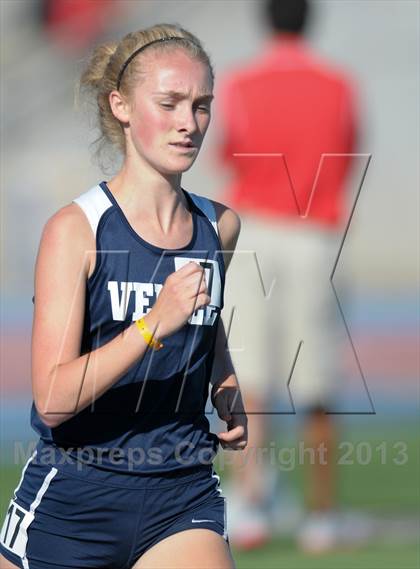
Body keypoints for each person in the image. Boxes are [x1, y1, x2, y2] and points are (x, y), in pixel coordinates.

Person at [0, 23, 248, 569]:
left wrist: (223, 380)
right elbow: (54, 397)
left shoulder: (218, 227)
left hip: (180, 494)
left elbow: (205, 318)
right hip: (74, 499)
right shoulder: (77, 230)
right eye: (170, 103)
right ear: (122, 106)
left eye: (202, 105)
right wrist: (152, 324)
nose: (189, 122)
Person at [217, 0, 358, 552]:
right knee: (318, 382)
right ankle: (322, 517)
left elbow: (230, 152)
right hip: (313, 234)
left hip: (254, 228)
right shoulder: (337, 83)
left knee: (248, 375)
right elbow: (345, 155)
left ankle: (250, 503)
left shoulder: (241, 81)